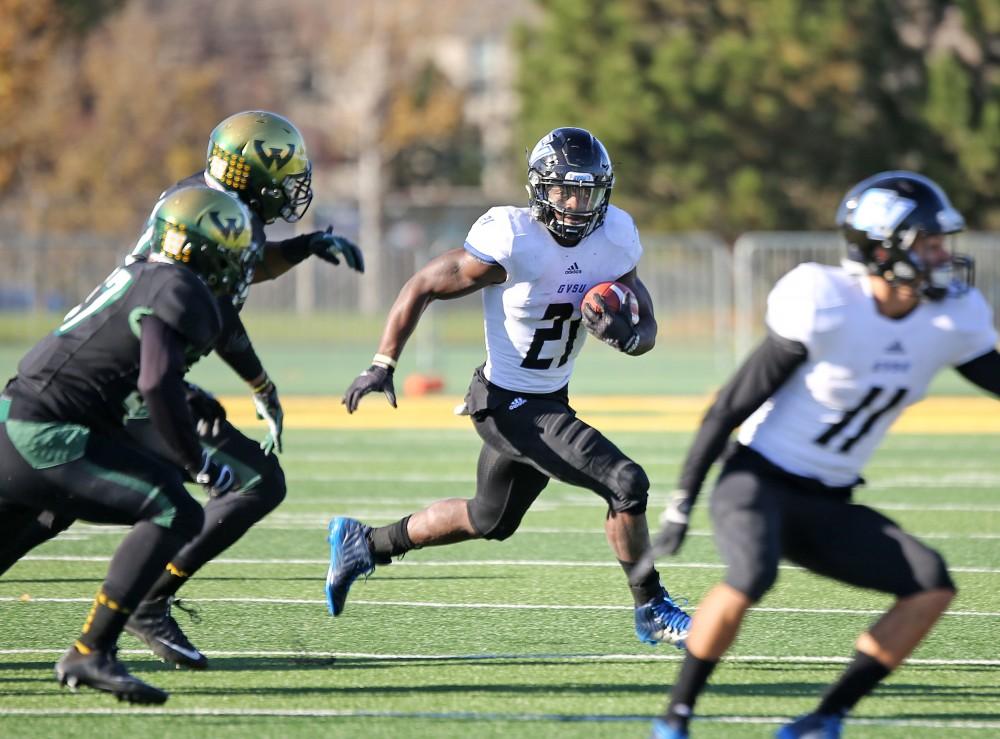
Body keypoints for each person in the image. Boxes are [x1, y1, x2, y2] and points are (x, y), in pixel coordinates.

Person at [0, 110, 365, 671]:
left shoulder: (205, 202)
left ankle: (129, 615)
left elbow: (238, 272)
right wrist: (257, 385)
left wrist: (305, 245)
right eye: (284, 173)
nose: (294, 187)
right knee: (248, 483)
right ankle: (148, 603)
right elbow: (212, 304)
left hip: (90, 380)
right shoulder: (209, 223)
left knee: (44, 508)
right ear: (251, 174)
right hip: (122, 386)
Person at [646, 171, 1000, 739]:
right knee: (752, 574)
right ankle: (675, 717)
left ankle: (823, 717)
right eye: (929, 242)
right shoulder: (826, 301)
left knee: (931, 582)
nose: (943, 255)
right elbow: (727, 408)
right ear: (884, 248)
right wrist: (681, 503)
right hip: (757, 482)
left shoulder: (947, 319)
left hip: (830, 499)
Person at [329, 126, 691, 647]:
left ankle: (365, 543)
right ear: (540, 189)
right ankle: (651, 605)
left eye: (586, 191)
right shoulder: (513, 238)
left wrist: (627, 336)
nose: (574, 203)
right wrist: (383, 362)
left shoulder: (614, 237)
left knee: (489, 519)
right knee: (626, 483)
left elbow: (648, 327)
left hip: (549, 399)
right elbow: (423, 285)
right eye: (564, 190)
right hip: (505, 403)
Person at [0, 185, 255, 703]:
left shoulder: (142, 274)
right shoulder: (179, 288)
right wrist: (196, 459)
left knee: (28, 522)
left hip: (16, 416)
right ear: (204, 249)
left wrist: (187, 393)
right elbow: (154, 383)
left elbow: (118, 359)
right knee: (172, 509)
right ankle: (90, 651)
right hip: (46, 433)